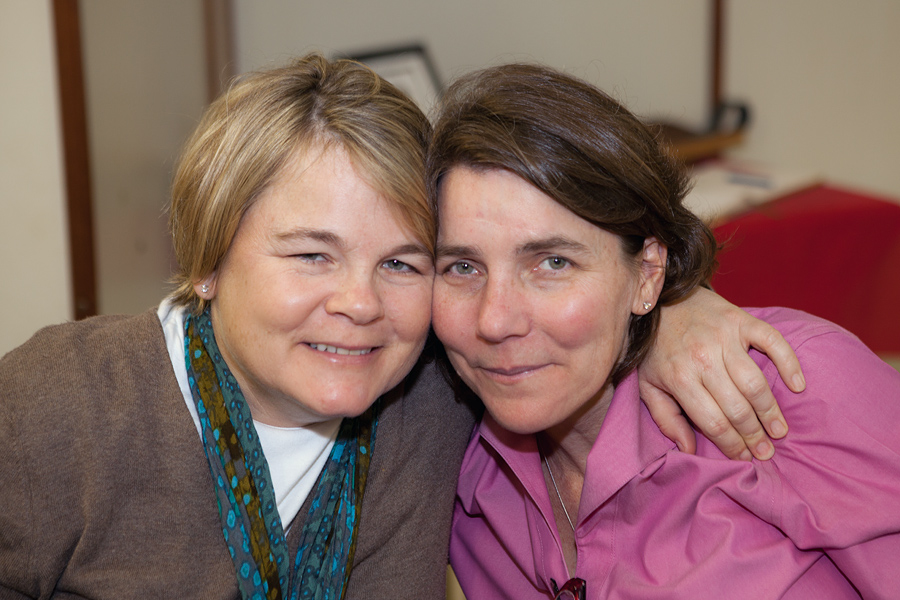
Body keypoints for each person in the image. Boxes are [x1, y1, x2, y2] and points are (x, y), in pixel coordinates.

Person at [1, 53, 800, 599]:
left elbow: (562, 307)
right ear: (206, 261)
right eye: (312, 255)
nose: (360, 304)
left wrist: (673, 308)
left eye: (402, 263)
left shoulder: (439, 397)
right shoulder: (54, 409)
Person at [430, 63, 900, 599]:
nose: (494, 321)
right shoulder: (455, 463)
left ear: (648, 272)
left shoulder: (792, 390)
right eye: (462, 267)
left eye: (553, 263)